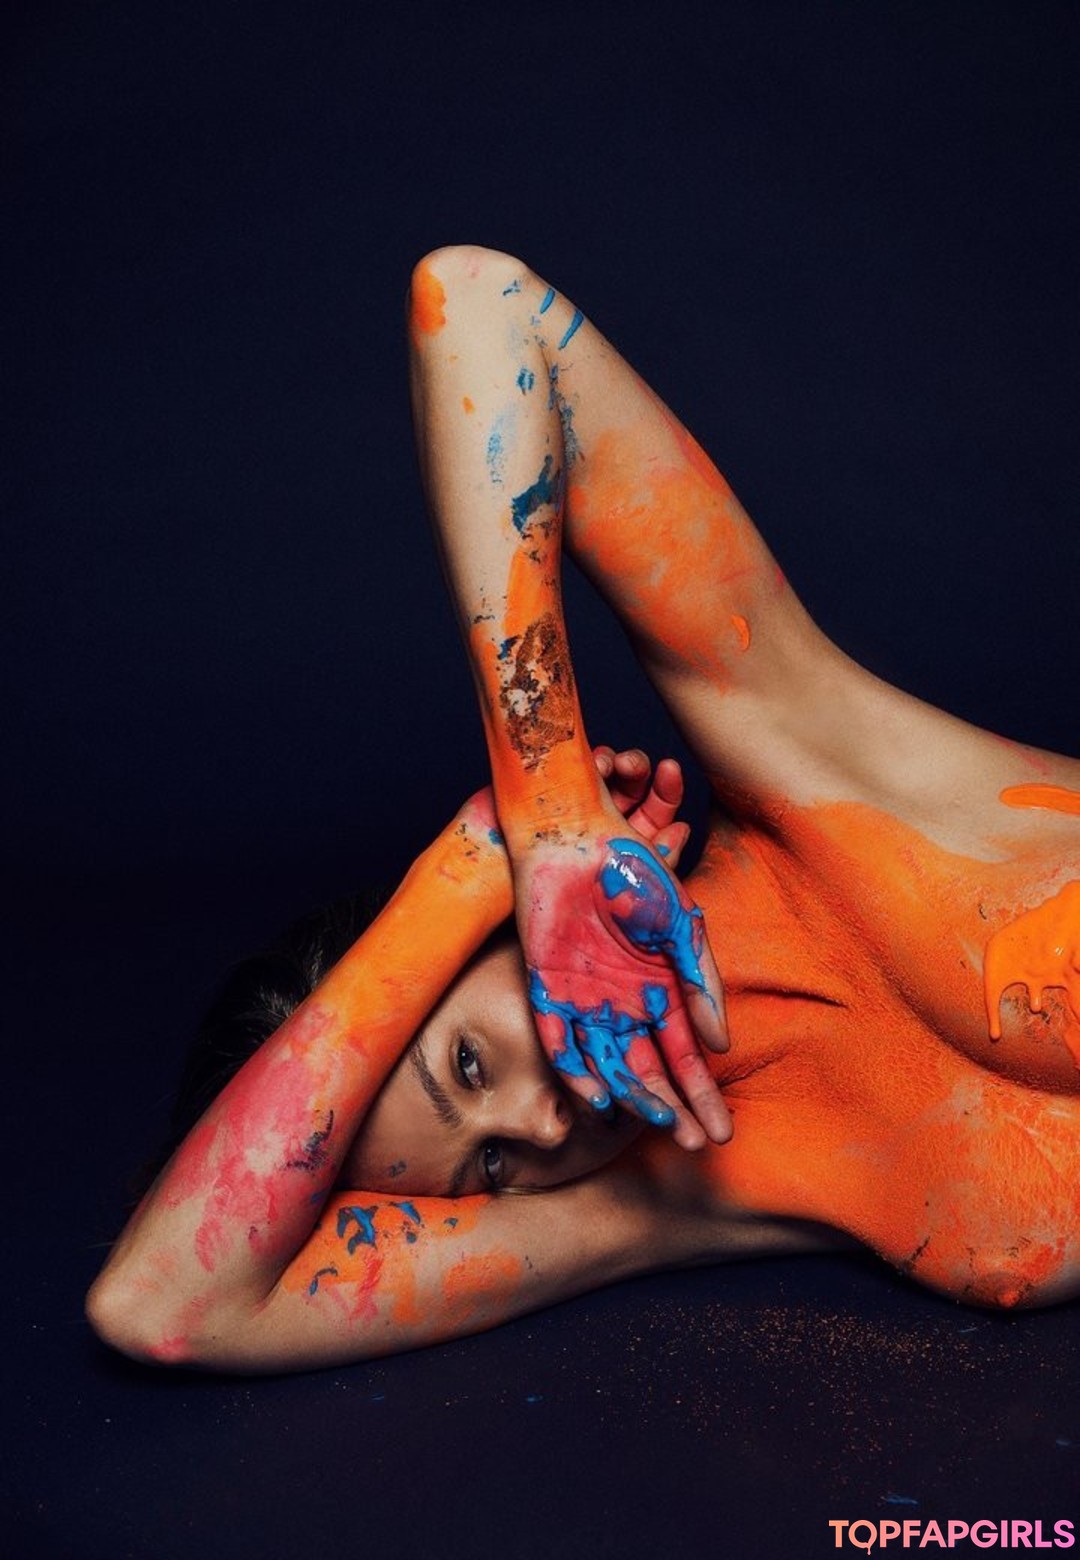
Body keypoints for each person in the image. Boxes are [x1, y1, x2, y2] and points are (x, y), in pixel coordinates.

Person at [86, 246, 1080, 1373]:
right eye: (491, 1169)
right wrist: (455, 897)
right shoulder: (653, 1205)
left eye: (470, 1066)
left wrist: (536, 825)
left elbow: (476, 303)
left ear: (479, 933)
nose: (543, 1126)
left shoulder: (796, 753)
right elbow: (164, 1307)